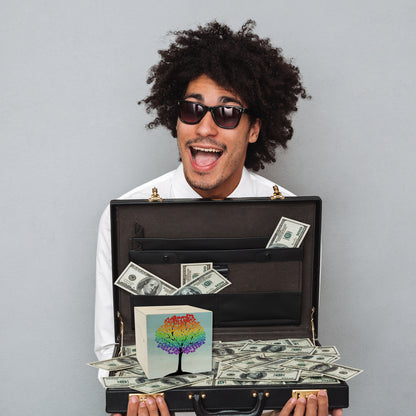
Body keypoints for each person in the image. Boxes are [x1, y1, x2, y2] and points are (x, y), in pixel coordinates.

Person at [95, 20, 342, 416]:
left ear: (254, 129)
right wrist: (128, 397)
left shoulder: (290, 212)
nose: (205, 127)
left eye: (227, 113)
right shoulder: (128, 211)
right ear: (175, 120)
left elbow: (298, 333)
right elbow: (113, 347)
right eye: (192, 109)